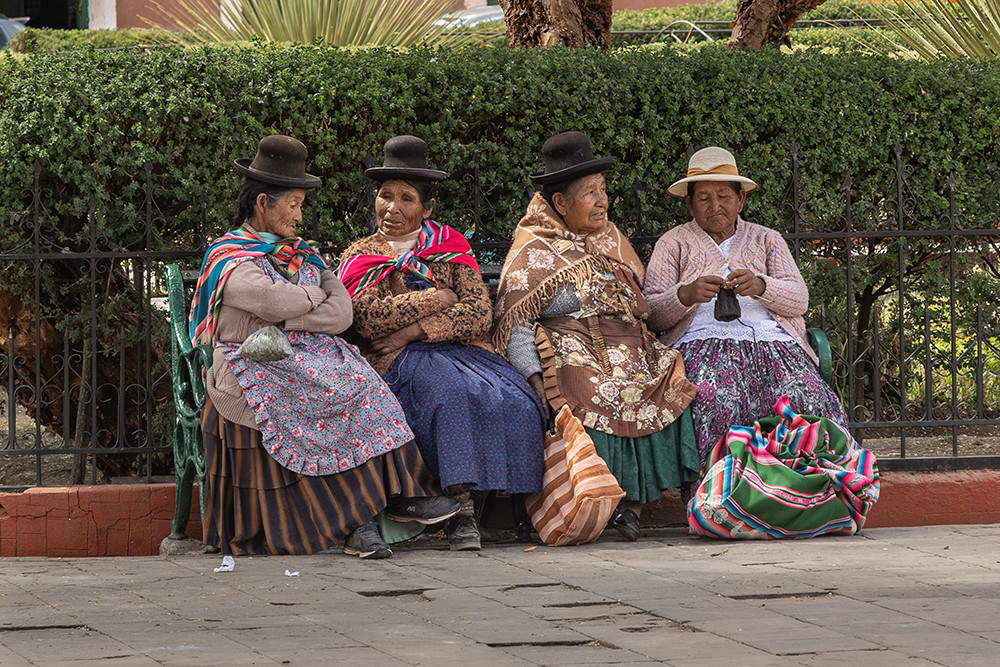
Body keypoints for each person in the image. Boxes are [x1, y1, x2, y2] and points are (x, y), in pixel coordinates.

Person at [189, 135, 459, 559]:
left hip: (314, 355)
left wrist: (293, 312)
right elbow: (271, 301)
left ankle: (402, 495)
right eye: (292, 204)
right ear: (263, 203)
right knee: (312, 393)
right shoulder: (229, 256)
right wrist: (309, 300)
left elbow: (343, 313)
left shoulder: (302, 254)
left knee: (365, 385)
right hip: (254, 359)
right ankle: (354, 522)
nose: (299, 215)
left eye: (300, 205)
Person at [338, 135, 546, 551]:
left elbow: (478, 312)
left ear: (427, 208)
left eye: (406, 199)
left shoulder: (450, 247)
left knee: (515, 397)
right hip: (398, 359)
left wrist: (414, 328)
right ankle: (461, 512)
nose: (392, 208)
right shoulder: (362, 253)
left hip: (458, 351)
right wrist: (435, 297)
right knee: (447, 396)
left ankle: (475, 506)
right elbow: (369, 317)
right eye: (384, 196)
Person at [493, 131, 701, 541]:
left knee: (668, 375)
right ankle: (601, 498)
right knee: (589, 384)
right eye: (589, 192)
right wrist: (534, 379)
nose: (602, 200)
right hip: (574, 347)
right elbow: (515, 322)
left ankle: (632, 505)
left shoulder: (611, 241)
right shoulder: (533, 248)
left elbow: (646, 305)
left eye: (603, 190)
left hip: (631, 346)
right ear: (560, 204)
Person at [643, 146, 848, 503]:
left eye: (724, 195)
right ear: (690, 205)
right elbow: (652, 312)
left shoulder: (767, 239)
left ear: (741, 201)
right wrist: (686, 294)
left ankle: (818, 499)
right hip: (703, 345)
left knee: (805, 395)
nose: (715, 205)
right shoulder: (673, 242)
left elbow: (799, 298)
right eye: (703, 198)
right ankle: (721, 504)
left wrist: (762, 286)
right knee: (716, 398)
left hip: (775, 344)